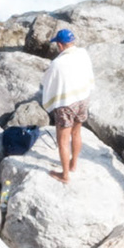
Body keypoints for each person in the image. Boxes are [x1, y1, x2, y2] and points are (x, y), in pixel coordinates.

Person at [39, 28, 94, 184]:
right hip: (83, 98)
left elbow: (48, 84)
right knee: (76, 133)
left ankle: (64, 176)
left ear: (60, 45)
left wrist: (49, 104)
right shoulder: (82, 53)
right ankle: (73, 164)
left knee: (63, 140)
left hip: (67, 104)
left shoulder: (57, 63)